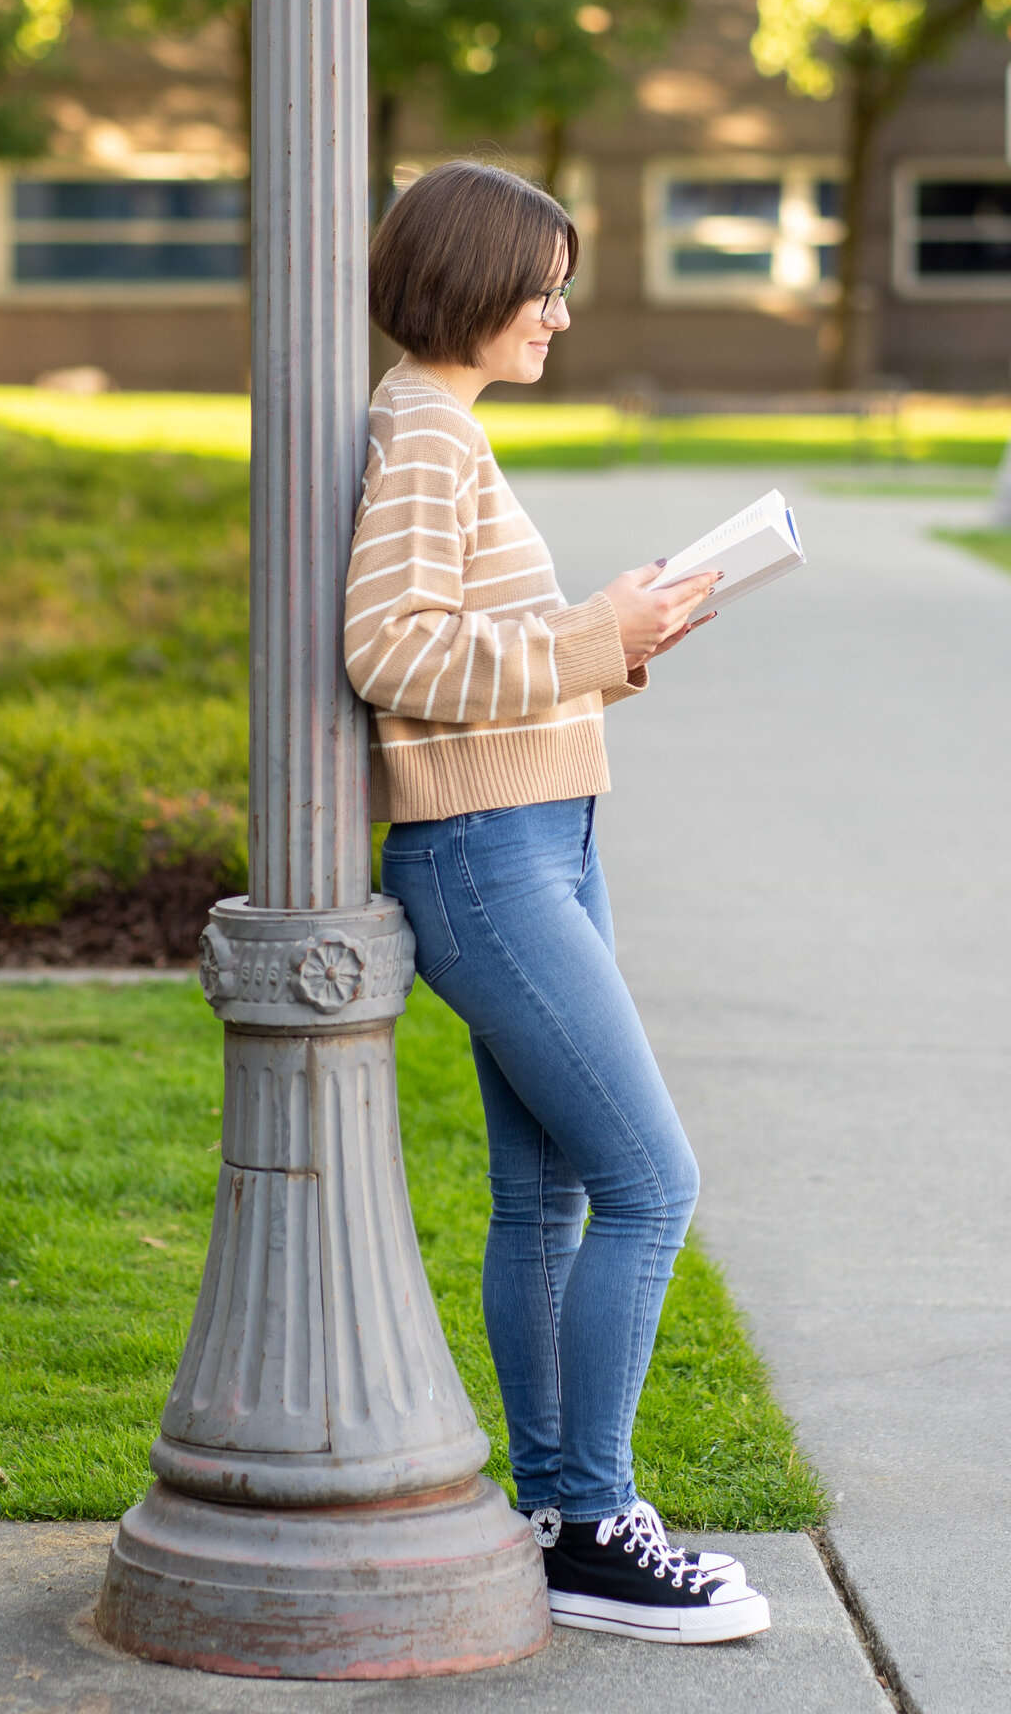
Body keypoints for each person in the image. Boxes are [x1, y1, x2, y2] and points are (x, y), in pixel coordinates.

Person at [344, 160, 769, 1646]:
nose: (561, 314)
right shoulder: (425, 437)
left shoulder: (440, 430)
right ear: (471, 280)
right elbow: (390, 650)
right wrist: (593, 636)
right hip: (487, 856)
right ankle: (592, 1519)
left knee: (549, 1194)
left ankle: (551, 1515)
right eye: (543, 285)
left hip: (535, 837)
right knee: (652, 1182)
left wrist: (615, 632)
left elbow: (465, 637)